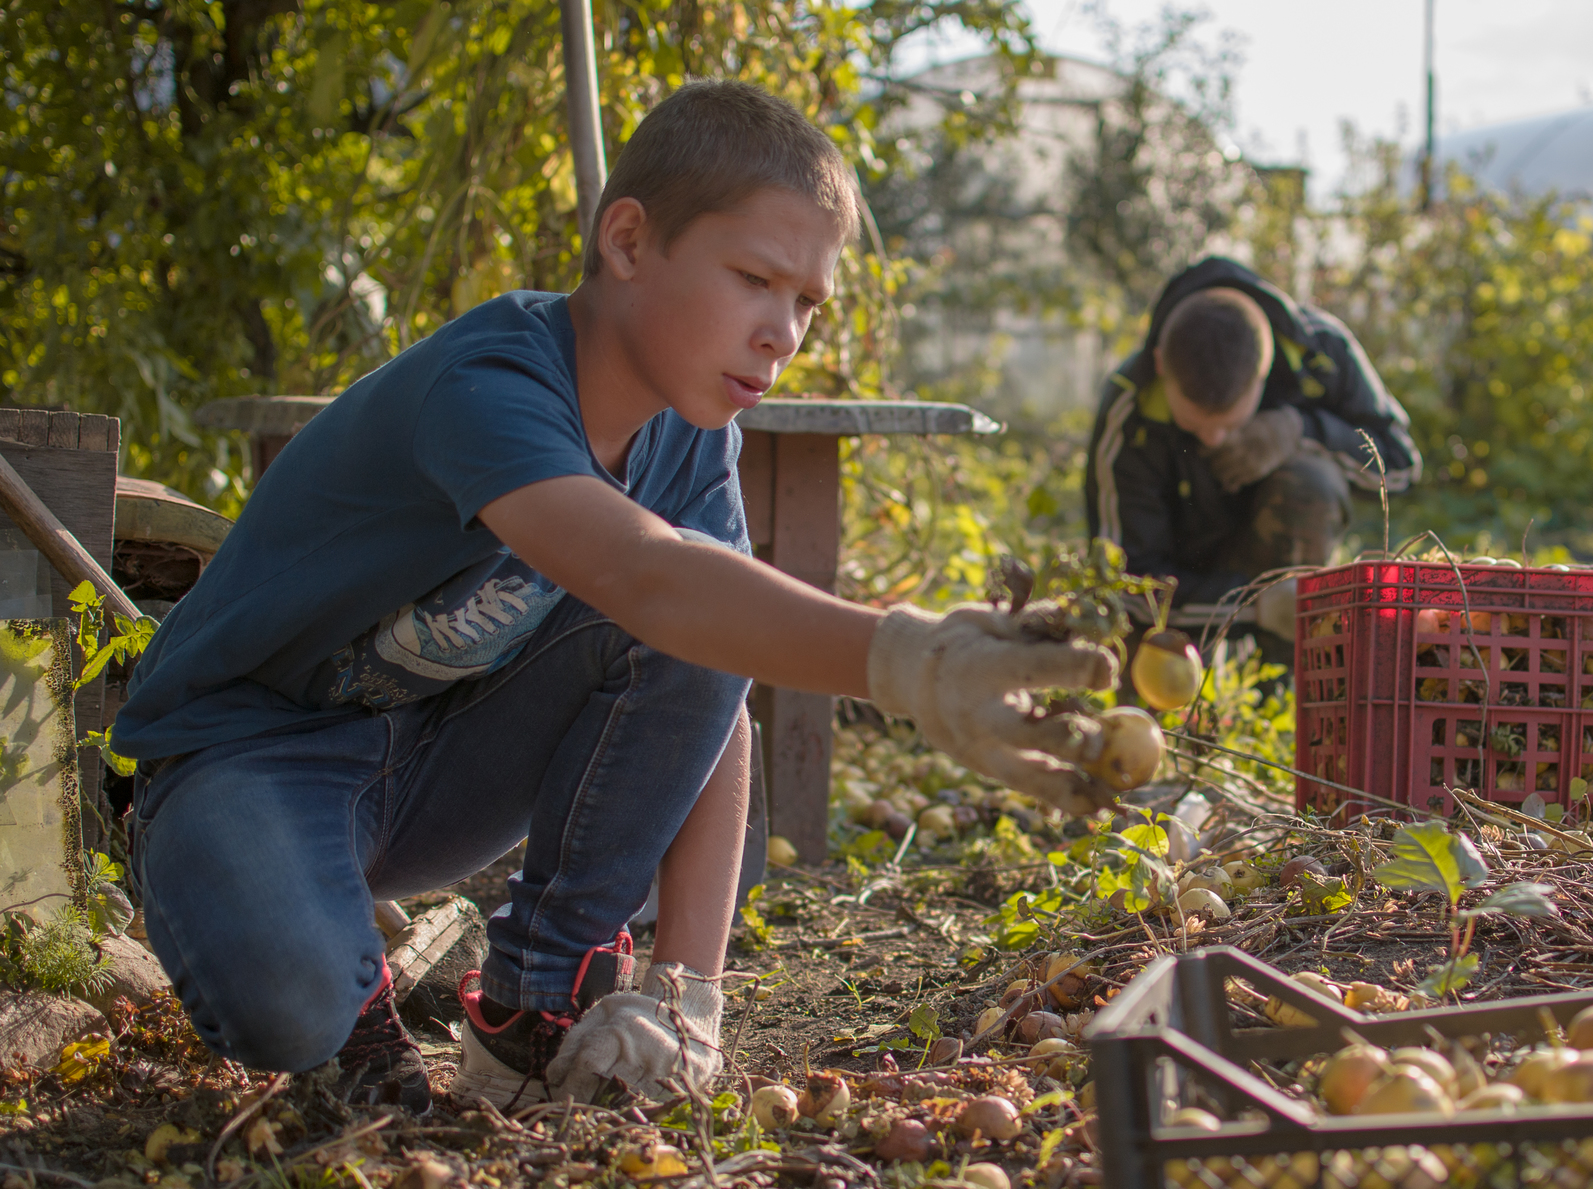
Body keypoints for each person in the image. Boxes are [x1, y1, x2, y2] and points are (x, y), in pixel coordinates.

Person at [112, 81, 1119, 1114]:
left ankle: (531, 1001)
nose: (783, 332)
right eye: (754, 279)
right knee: (288, 1002)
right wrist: (914, 661)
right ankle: (341, 999)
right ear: (628, 241)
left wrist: (689, 992)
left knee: (716, 601)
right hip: (247, 756)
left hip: (429, 765)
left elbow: (711, 672)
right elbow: (649, 579)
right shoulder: (491, 384)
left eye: (806, 301)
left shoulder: (691, 439)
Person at [1084, 258, 1420, 640]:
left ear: (1265, 368)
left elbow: (1402, 467)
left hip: (1282, 567)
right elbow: (1122, 583)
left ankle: (1289, 670)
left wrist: (1302, 430)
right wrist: (1253, 608)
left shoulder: (1322, 351)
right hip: (1181, 588)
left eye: (1229, 423)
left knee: (1312, 481)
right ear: (1162, 365)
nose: (1214, 439)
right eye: (1195, 424)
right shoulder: (1128, 407)